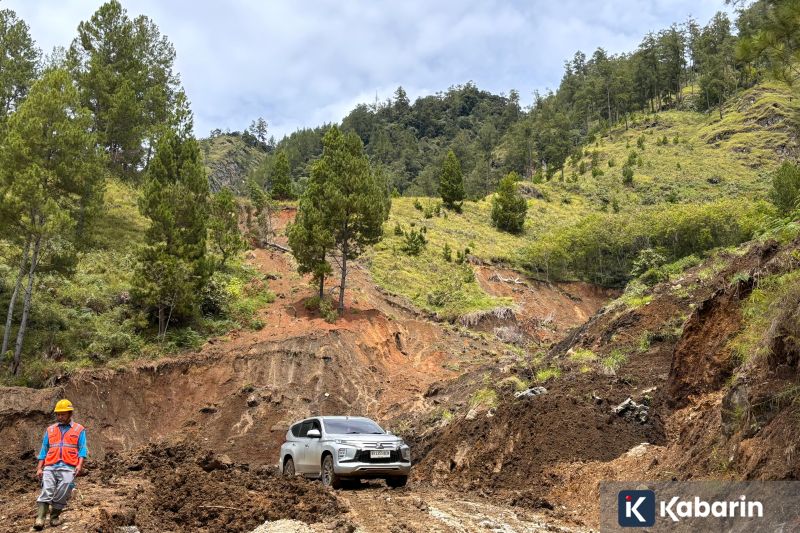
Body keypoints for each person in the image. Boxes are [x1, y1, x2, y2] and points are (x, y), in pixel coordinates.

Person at [33, 399, 87, 530]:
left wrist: (79, 465)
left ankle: (54, 516)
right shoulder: (50, 430)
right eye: (58, 414)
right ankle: (40, 519)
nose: (60, 417)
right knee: (47, 489)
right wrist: (40, 467)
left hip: (69, 466)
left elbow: (82, 449)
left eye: (63, 414)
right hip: (50, 465)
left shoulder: (79, 429)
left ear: (70, 414)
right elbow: (44, 449)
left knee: (64, 491)